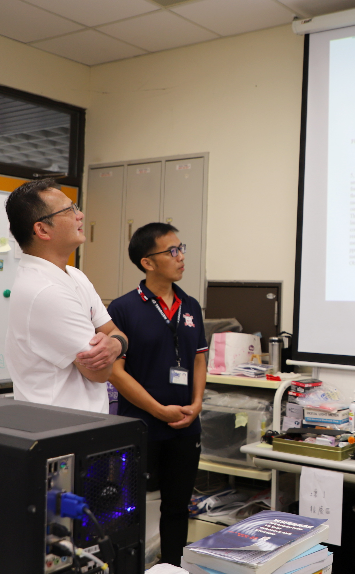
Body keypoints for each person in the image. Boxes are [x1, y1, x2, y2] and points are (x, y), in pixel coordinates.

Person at [108, 222, 207, 566]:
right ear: (148, 262)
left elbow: (198, 360)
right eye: (172, 251)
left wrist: (196, 404)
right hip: (140, 426)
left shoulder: (191, 305)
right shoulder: (122, 309)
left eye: (181, 249)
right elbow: (115, 372)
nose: (181, 257)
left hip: (185, 425)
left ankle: (172, 568)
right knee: (126, 509)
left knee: (177, 507)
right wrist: (159, 410)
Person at [5, 179, 127, 412]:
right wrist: (116, 344)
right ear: (42, 229)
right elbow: (100, 372)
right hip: (59, 428)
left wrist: (115, 344)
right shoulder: (44, 291)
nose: (80, 215)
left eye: (76, 207)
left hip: (84, 424)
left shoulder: (74, 275)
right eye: (69, 210)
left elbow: (114, 332)